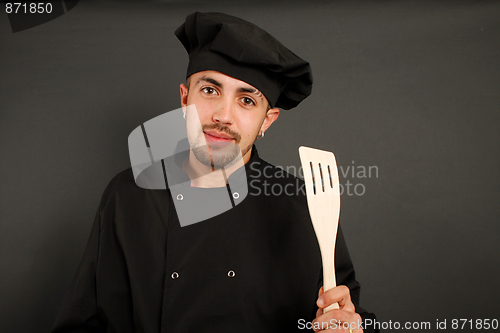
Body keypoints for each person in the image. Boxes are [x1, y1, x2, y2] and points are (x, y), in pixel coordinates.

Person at [51, 12, 378, 333]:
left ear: (267, 120)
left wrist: (350, 328)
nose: (224, 115)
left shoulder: (305, 205)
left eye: (247, 100)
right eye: (210, 90)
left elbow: (345, 315)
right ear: (184, 98)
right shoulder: (129, 194)